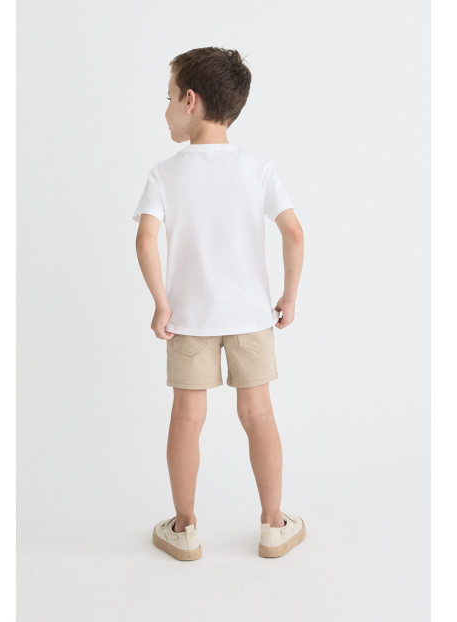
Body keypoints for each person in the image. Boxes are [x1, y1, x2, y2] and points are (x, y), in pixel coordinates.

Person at [133, 47, 305, 561]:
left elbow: (145, 240)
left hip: (189, 319)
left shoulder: (165, 174)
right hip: (251, 315)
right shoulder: (257, 169)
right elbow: (294, 233)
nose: (166, 109)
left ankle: (184, 527)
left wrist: (161, 303)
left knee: (187, 418)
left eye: (168, 98)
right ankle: (273, 524)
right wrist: (289, 295)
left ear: (190, 101)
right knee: (259, 414)